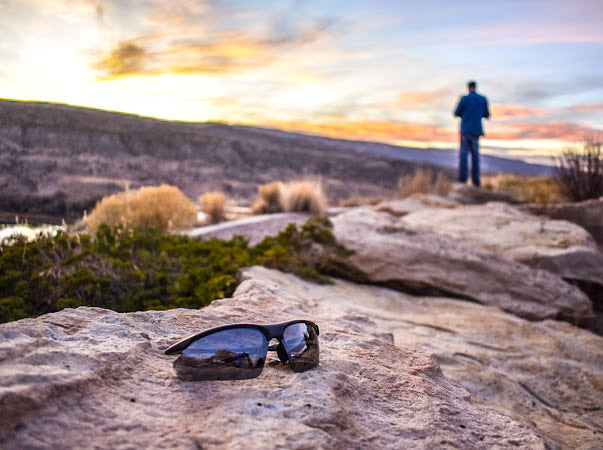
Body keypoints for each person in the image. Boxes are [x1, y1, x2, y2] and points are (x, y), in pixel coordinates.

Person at [454, 80, 490, 187]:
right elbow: (486, 114)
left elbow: (456, 113)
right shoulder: (482, 99)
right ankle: (476, 182)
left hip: (465, 130)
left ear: (468, 87)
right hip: (476, 131)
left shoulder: (464, 99)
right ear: (476, 87)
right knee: (475, 157)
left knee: (463, 156)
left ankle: (462, 181)